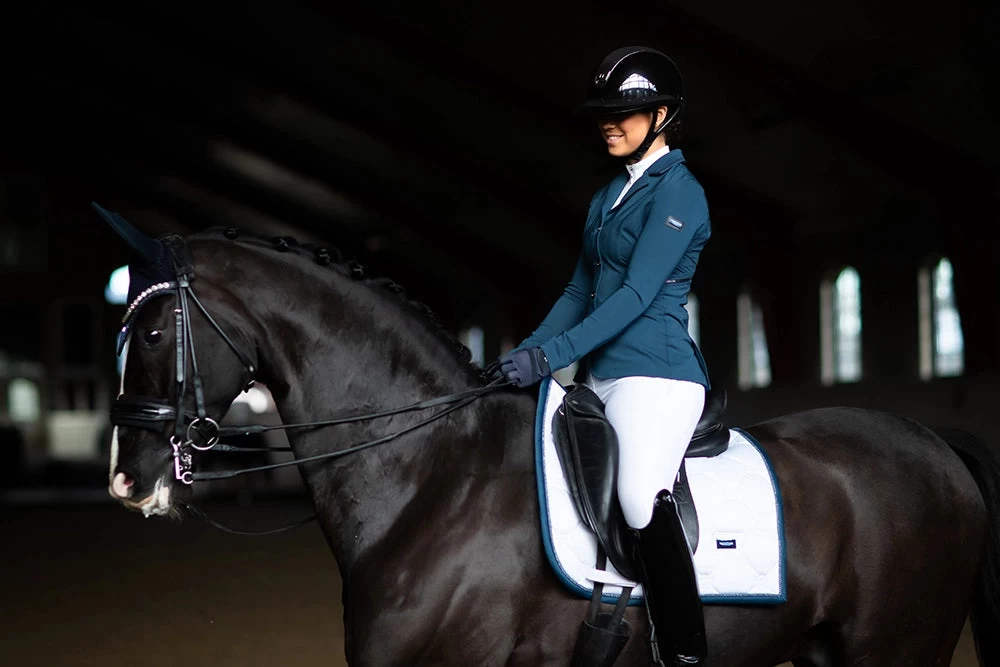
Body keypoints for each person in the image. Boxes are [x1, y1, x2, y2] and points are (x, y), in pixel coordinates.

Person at [499, 45, 711, 665]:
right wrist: (526, 354)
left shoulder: (681, 194)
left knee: (641, 494)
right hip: (600, 377)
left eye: (628, 112)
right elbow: (578, 290)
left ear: (664, 115)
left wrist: (552, 359)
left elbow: (639, 295)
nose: (610, 123)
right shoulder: (606, 198)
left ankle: (684, 651)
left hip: (658, 375)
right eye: (604, 113)